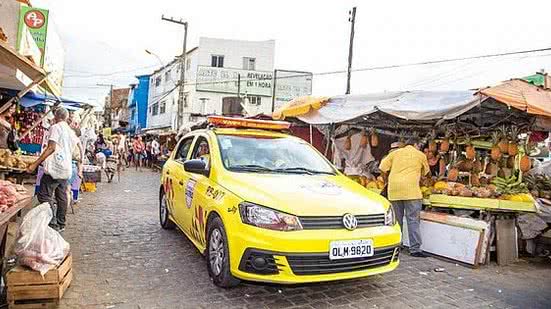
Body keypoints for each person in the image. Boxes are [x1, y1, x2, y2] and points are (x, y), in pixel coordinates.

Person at [27, 107, 77, 232]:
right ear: (65, 117)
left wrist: (35, 164)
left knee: (44, 194)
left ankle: (53, 223)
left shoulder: (56, 128)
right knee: (62, 195)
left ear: (56, 116)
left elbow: (51, 148)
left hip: (56, 167)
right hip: (66, 167)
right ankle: (61, 223)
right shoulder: (71, 131)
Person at [379, 138, 430, 258]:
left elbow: (382, 168)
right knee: (413, 219)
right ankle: (415, 249)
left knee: (397, 220)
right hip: (412, 191)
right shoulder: (420, 155)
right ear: (416, 145)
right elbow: (426, 173)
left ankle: (397, 245)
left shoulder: (395, 153)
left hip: (394, 190)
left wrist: (387, 180)